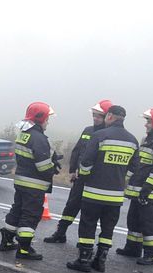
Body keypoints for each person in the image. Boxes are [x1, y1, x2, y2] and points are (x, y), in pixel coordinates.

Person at [66, 105, 138, 272]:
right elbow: (134, 167)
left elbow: (86, 162)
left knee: (88, 225)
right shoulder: (132, 140)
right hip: (115, 196)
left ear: (110, 116)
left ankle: (83, 260)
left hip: (94, 192)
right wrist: (120, 178)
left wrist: (85, 177)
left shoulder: (99, 135)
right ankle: (100, 261)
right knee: (108, 229)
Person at [44, 99, 112, 243]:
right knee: (71, 205)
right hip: (80, 177)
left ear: (107, 116)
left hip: (95, 181)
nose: (95, 118)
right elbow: (77, 150)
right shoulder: (88, 130)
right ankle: (60, 233)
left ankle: (87, 243)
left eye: (99, 116)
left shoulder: (108, 135)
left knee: (91, 212)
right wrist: (73, 170)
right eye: (94, 115)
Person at [116, 108, 153, 265]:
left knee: (150, 223)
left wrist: (147, 189)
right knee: (134, 220)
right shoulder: (150, 140)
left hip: (148, 192)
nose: (146, 124)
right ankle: (133, 248)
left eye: (148, 121)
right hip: (139, 190)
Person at [0, 101, 58, 260]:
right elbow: (43, 167)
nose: (48, 122)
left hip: (21, 181)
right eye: (47, 119)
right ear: (41, 118)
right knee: (30, 215)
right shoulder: (39, 138)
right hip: (34, 185)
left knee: (17, 210)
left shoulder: (24, 133)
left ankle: (6, 241)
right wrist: (53, 167)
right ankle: (24, 250)